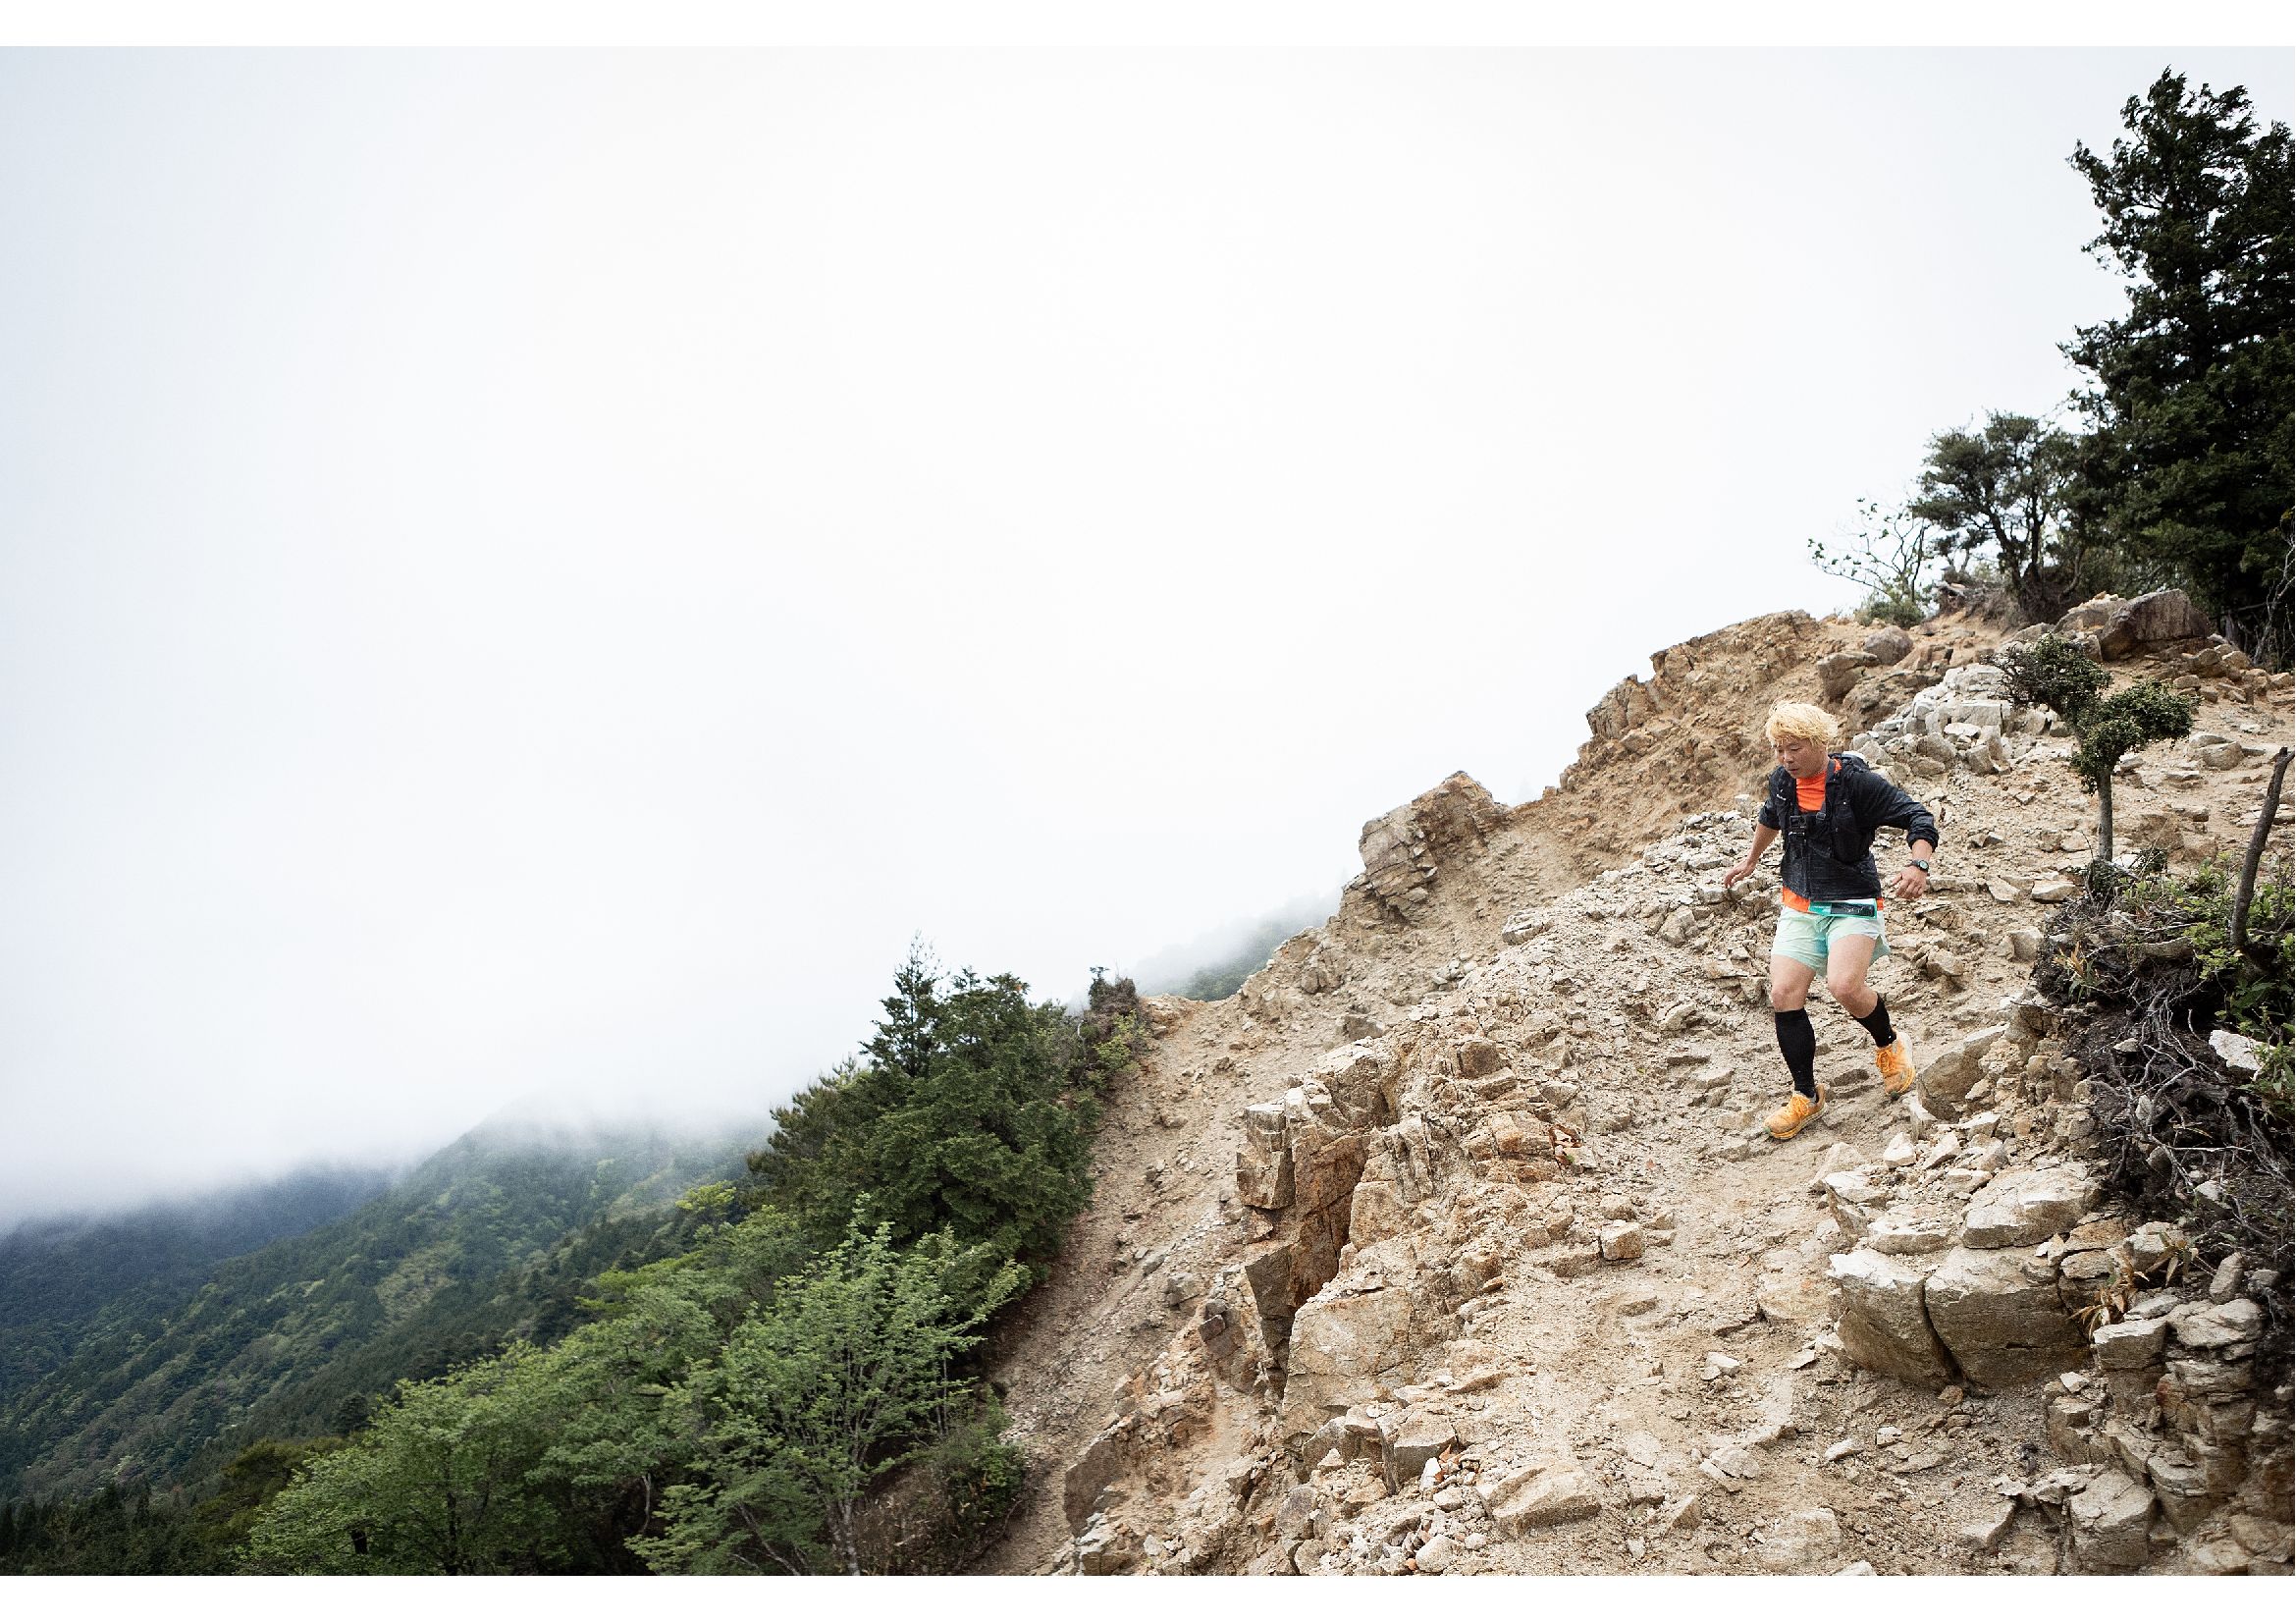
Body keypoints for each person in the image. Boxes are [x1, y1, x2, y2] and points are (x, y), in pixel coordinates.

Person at [1721, 700, 1940, 1140]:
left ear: (1820, 743)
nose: (1786, 757)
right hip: (1800, 903)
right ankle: (1807, 1094)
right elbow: (1769, 818)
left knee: (1845, 987)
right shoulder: (1783, 781)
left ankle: (1889, 1045)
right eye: (1779, 748)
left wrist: (1918, 865)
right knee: (1783, 994)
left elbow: (1918, 817)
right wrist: (1750, 860)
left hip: (1852, 902)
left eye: (1795, 748)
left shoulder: (1857, 784)